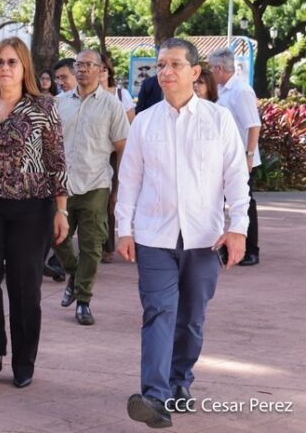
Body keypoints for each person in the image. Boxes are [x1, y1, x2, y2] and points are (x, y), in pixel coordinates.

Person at [116, 38, 249, 429]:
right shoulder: (144, 121)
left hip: (203, 239)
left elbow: (236, 179)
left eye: (175, 64)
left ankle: (179, 382)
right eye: (161, 65)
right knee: (158, 312)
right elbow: (130, 180)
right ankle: (154, 397)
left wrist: (237, 229)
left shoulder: (218, 119)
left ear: (195, 71)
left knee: (191, 318)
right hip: (154, 237)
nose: (166, 72)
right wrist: (124, 229)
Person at [0, 36, 69, 389]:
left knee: (25, 288)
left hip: (32, 206)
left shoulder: (43, 106)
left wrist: (61, 210)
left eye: (12, 62)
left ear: (24, 67)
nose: (5, 68)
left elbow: (57, 160)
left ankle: (24, 361)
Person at [54, 49, 129, 326]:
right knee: (55, 237)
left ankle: (83, 300)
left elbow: (123, 148)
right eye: (79, 64)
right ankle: (75, 274)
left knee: (92, 245)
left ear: (100, 70)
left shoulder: (112, 106)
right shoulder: (59, 103)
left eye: (88, 65)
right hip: (61, 185)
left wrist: (119, 189)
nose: (82, 69)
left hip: (96, 184)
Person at [210, 48, 261, 266]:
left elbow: (254, 125)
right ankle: (222, 246)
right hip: (222, 157)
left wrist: (248, 156)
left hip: (241, 158)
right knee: (217, 202)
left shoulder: (241, 91)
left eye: (211, 68)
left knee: (244, 203)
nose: (210, 72)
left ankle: (250, 250)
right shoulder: (222, 90)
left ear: (219, 68)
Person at [99, 54, 135, 264]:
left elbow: (132, 124)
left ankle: (109, 246)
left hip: (118, 152)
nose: (102, 72)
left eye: (105, 69)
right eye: (99, 68)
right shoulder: (88, 94)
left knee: (113, 197)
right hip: (97, 151)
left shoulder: (121, 94)